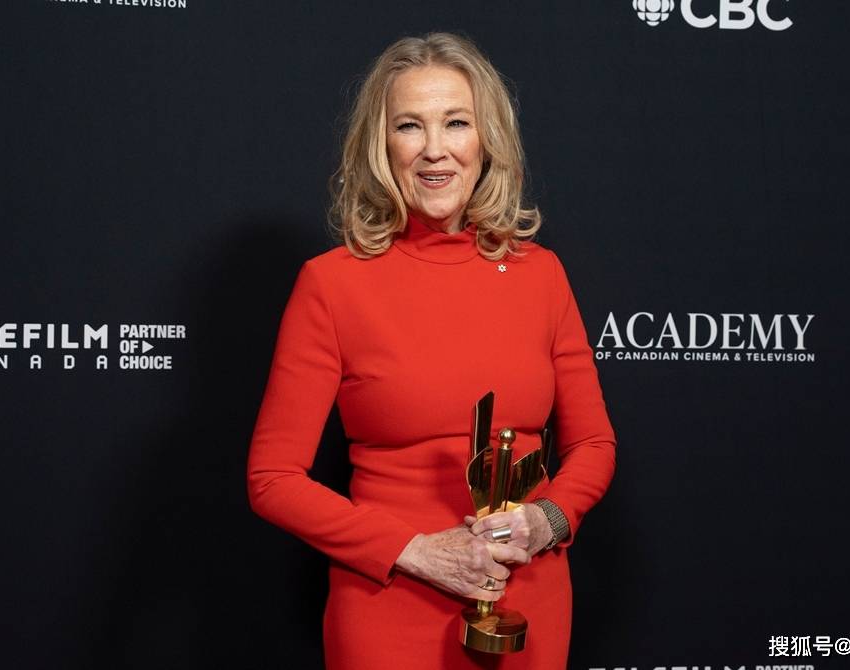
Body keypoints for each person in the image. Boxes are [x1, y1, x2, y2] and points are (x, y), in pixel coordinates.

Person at [247, 32, 616, 670]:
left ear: (487, 140)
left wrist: (548, 521)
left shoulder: (541, 274)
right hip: (391, 601)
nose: (435, 149)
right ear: (381, 145)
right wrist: (417, 551)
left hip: (527, 596)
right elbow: (273, 479)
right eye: (410, 126)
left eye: (456, 123)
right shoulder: (332, 285)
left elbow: (594, 444)